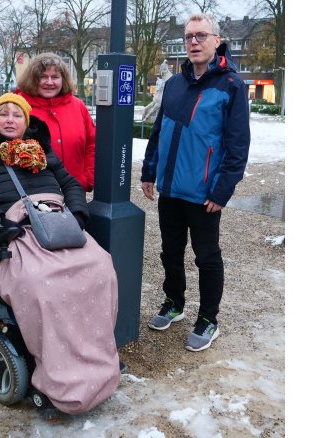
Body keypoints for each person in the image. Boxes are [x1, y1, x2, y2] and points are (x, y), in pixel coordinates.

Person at [0, 93, 120, 416]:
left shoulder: (42, 151)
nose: (10, 120)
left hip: (57, 227)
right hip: (7, 236)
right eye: (3, 114)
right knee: (43, 286)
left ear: (27, 122)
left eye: (17, 115)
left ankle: (98, 360)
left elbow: (71, 186)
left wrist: (78, 215)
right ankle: (59, 378)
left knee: (101, 268)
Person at [140, 13, 250, 352]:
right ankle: (174, 302)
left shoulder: (231, 85)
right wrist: (149, 171)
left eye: (201, 35)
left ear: (217, 40)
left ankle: (208, 318)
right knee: (170, 251)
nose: (193, 42)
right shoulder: (174, 84)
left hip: (204, 195)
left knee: (207, 257)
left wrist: (222, 190)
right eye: (189, 36)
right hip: (171, 189)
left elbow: (237, 145)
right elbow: (159, 133)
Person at [14, 53, 96, 192]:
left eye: (55, 77)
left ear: (63, 80)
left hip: (74, 191)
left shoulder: (78, 106)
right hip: (32, 193)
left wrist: (87, 178)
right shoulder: (17, 105)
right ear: (32, 79)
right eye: (43, 77)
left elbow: (92, 144)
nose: (50, 82)